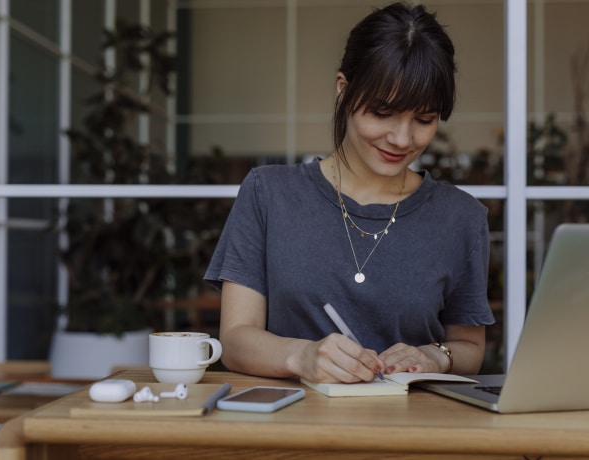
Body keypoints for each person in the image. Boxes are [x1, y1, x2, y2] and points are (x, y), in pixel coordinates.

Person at [205, 2, 495, 384]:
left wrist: (434, 356)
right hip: (287, 429)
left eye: (424, 120)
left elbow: (470, 348)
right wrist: (303, 356)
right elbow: (236, 338)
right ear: (344, 90)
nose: (402, 138)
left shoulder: (462, 218)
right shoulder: (268, 194)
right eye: (382, 113)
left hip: (415, 432)